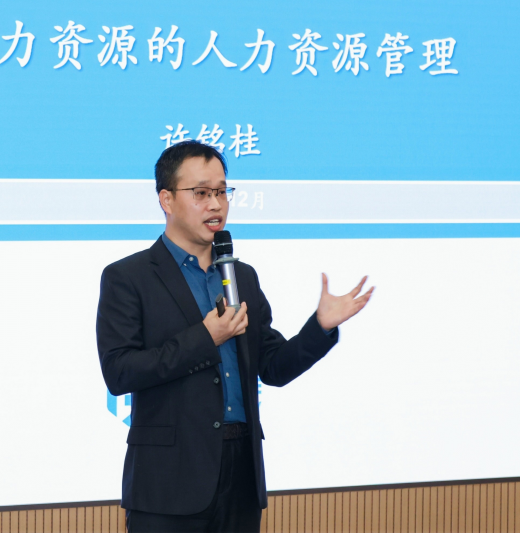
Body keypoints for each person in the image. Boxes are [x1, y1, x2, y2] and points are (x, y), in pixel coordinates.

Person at [96, 140, 373, 533]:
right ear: (166, 199)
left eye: (222, 192)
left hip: (241, 474)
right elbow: (120, 371)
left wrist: (320, 326)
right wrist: (205, 337)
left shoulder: (241, 276)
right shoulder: (129, 277)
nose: (216, 204)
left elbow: (273, 367)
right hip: (168, 484)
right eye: (201, 193)